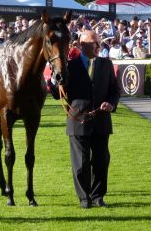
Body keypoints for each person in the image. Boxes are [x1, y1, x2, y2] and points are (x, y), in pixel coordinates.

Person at [49, 30, 120, 209]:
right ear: (82, 45)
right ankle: (84, 199)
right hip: (78, 120)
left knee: (101, 161)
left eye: (98, 42)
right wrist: (52, 80)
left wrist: (111, 103)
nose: (98, 46)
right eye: (93, 43)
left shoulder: (106, 64)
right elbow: (57, 95)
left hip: (101, 121)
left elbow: (115, 89)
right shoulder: (69, 66)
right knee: (80, 164)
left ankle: (98, 197)